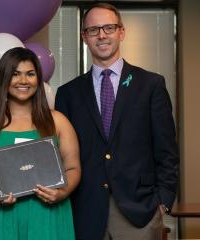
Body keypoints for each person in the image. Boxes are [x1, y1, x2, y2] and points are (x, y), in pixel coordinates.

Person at [55, 3, 179, 240]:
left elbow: (167, 150)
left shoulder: (150, 85)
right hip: (84, 212)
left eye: (109, 28)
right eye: (93, 30)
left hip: (139, 212)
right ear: (84, 37)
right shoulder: (67, 93)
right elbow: (61, 156)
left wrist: (163, 201)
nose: (101, 35)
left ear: (121, 32)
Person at [0, 47, 81, 240]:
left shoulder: (57, 121)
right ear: (3, 78)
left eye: (30, 74)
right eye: (15, 74)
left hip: (47, 215)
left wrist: (61, 193)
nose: (23, 81)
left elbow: (73, 167)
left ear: (38, 79)